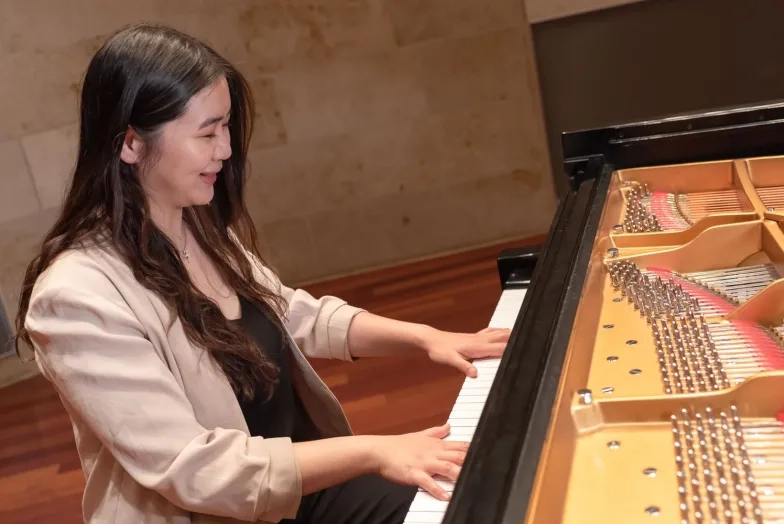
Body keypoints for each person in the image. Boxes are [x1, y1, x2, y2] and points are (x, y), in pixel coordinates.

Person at [15, 23, 510, 524]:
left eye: (226, 126)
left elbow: (291, 315)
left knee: (479, 497)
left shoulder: (198, 227)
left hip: (296, 488)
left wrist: (426, 338)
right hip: (219, 512)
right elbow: (195, 469)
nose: (225, 149)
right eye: (207, 132)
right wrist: (374, 451)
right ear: (130, 144)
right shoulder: (75, 297)